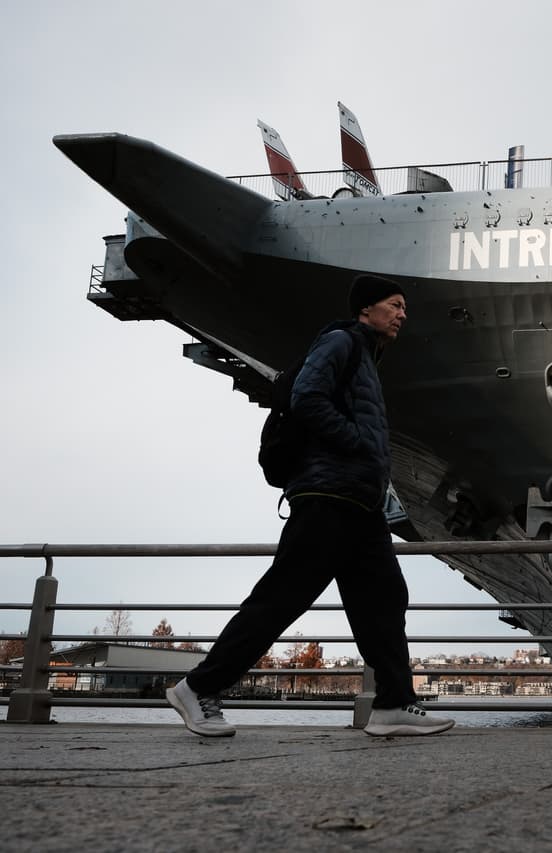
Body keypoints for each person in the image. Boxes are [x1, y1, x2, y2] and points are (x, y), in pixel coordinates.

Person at [166, 274, 453, 738]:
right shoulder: (341, 341)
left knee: (384, 599)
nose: (403, 314)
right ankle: (198, 687)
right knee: (282, 599)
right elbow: (306, 398)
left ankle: (394, 704)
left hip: (359, 503)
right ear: (367, 310)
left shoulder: (366, 358)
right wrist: (358, 442)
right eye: (395, 305)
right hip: (328, 498)